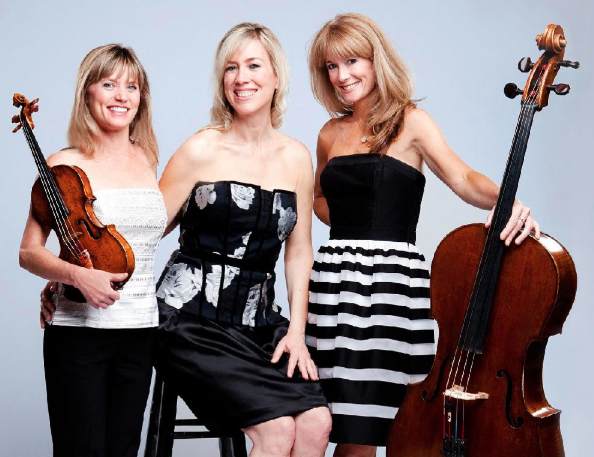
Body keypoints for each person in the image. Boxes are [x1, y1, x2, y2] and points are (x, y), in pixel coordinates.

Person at [305, 13, 540, 457]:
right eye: (331, 67)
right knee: (332, 422)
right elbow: (319, 198)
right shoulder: (328, 133)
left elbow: (463, 177)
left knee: (375, 422)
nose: (342, 76)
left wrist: (506, 200)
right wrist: (353, 228)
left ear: (377, 61)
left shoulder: (411, 121)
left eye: (352, 61)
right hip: (334, 285)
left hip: (390, 286)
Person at [154, 23, 331, 457]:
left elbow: (300, 250)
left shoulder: (296, 157)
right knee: (275, 433)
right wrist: (72, 278)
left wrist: (295, 330)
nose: (241, 77)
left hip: (258, 322)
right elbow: (142, 233)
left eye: (253, 65)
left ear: (276, 77)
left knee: (316, 423)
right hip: (188, 321)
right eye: (230, 68)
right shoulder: (201, 149)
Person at [19, 44, 167, 457]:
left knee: (122, 450)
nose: (122, 95)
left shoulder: (150, 160)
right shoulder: (62, 165)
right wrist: (74, 276)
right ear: (88, 93)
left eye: (132, 86)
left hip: (140, 331)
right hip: (78, 335)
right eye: (109, 84)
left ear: (142, 98)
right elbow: (29, 251)